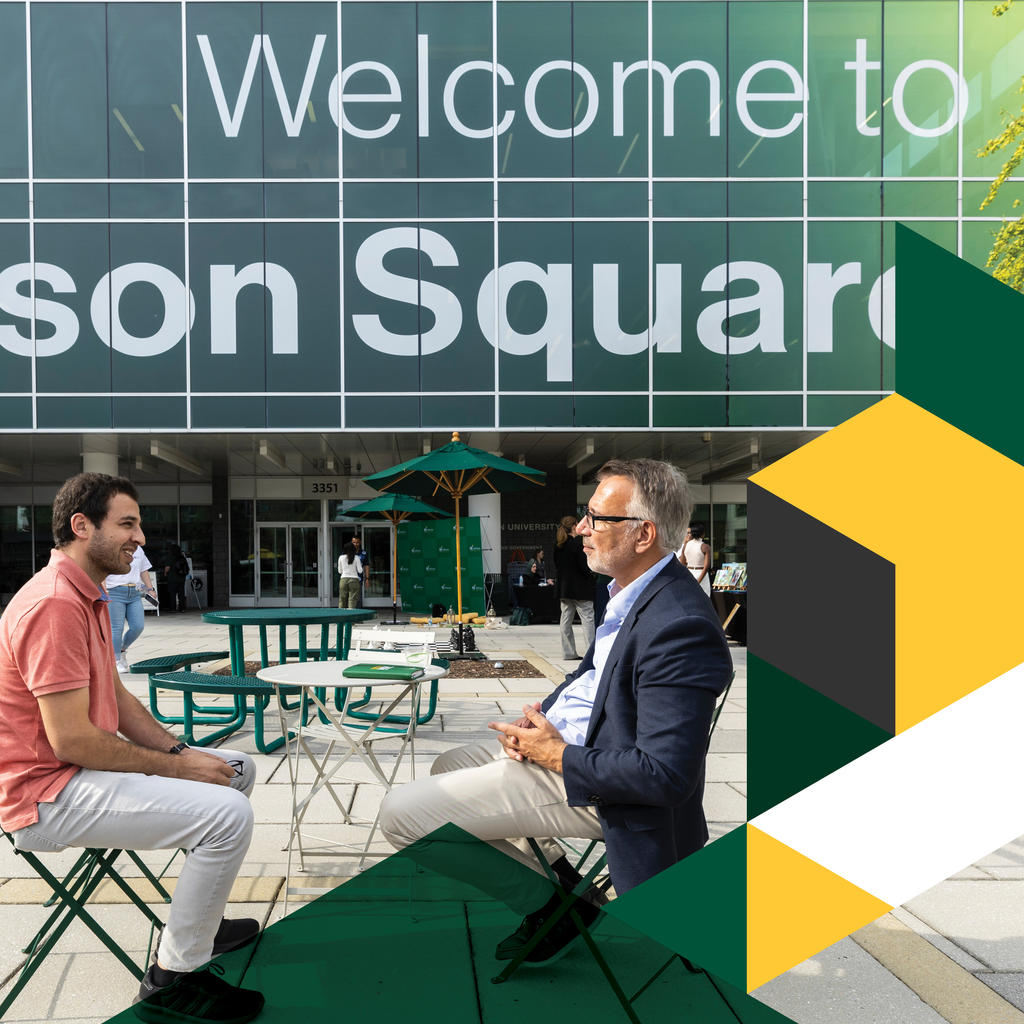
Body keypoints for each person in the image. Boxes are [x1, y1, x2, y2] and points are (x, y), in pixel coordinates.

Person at [381, 458, 732, 965]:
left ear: (643, 534)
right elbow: (591, 675)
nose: (582, 529)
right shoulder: (632, 592)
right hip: (577, 750)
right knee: (447, 764)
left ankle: (550, 908)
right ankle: (563, 880)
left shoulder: (678, 624)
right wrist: (540, 717)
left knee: (400, 816)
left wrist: (555, 754)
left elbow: (664, 776)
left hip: (605, 789)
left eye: (596, 519)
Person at [0, 473, 263, 1022]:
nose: (140, 538)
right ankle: (172, 980)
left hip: (72, 775)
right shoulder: (55, 605)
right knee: (228, 816)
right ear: (81, 526)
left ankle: (200, 925)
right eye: (127, 524)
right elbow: (73, 740)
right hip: (45, 795)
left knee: (235, 769)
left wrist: (181, 754)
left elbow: (116, 701)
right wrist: (180, 768)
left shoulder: (86, 594)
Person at [104, 546, 156, 672]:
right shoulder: (112, 546)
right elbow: (102, 569)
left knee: (138, 626)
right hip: (114, 591)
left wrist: (150, 588)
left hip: (134, 592)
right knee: (116, 628)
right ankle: (116, 660)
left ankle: (122, 649)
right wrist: (103, 588)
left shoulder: (138, 549)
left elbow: (143, 569)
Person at [552, 515, 595, 660]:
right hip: (581, 588)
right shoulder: (577, 544)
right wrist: (591, 576)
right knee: (588, 620)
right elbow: (584, 566)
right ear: (573, 526)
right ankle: (591, 654)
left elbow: (557, 565)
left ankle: (568, 652)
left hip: (564, 589)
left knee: (565, 620)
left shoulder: (558, 545)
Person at [680, 523, 712, 597]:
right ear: (702, 534)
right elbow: (706, 566)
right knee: (703, 598)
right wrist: (698, 581)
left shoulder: (686, 545)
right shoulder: (705, 547)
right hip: (701, 573)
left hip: (689, 573)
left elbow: (682, 563)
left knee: (690, 598)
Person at [163, 544, 189, 612]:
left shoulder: (170, 557)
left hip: (172, 578)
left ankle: (173, 608)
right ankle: (182, 608)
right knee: (181, 593)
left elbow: (167, 567)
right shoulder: (182, 557)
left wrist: (165, 573)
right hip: (181, 578)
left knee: (172, 593)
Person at [338, 540, 362, 608]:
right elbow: (360, 571)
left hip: (343, 579)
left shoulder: (341, 557)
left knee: (342, 599)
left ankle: (341, 613)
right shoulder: (357, 558)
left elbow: (340, 571)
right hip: (354, 580)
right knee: (352, 599)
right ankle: (351, 613)